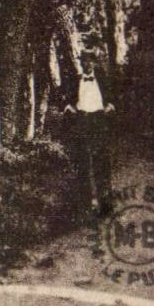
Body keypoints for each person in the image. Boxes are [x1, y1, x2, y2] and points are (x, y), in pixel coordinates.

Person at [64, 48, 115, 217]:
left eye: (89, 61)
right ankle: (85, 207)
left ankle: (105, 204)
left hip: (99, 121)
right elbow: (67, 98)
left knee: (102, 161)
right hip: (82, 121)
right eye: (83, 61)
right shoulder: (75, 80)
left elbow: (113, 96)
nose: (86, 64)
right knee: (82, 162)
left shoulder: (102, 77)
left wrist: (110, 105)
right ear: (80, 63)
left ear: (94, 62)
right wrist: (68, 107)